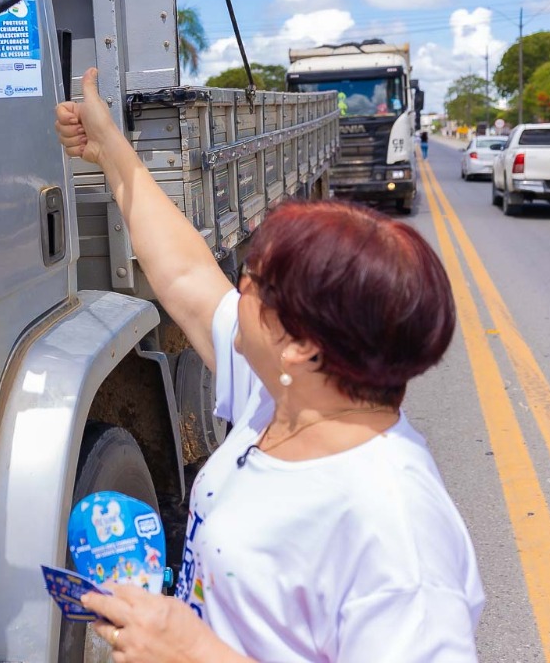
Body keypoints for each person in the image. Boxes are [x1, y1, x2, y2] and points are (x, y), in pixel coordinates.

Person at [55, 68, 483, 663]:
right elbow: (186, 274)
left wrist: (195, 653)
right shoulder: (287, 396)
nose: (237, 286)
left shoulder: (395, 526)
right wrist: (110, 150)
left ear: (302, 345)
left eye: (253, 282)